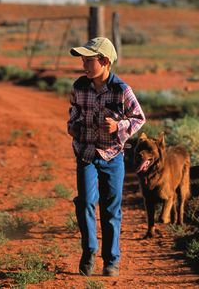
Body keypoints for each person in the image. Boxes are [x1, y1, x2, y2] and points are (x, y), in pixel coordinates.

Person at [67, 37, 145, 277]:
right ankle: (89, 251)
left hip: (113, 157)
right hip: (86, 154)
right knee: (86, 203)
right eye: (83, 60)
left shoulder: (122, 90)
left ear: (105, 61)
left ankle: (112, 260)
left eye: (89, 60)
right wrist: (75, 127)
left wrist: (119, 127)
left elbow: (139, 118)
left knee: (111, 210)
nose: (84, 65)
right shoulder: (79, 87)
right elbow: (72, 116)